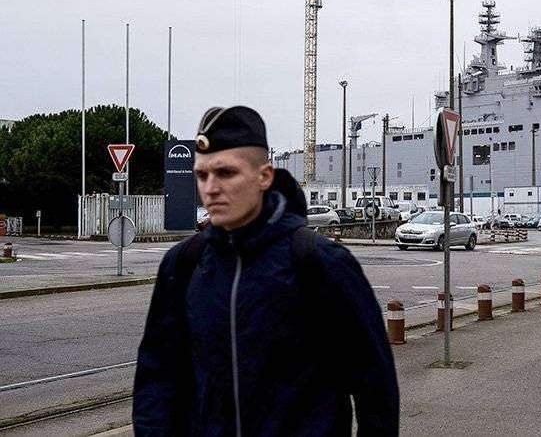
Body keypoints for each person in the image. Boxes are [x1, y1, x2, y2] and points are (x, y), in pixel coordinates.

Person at [133, 106, 399, 436]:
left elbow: (375, 384)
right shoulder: (184, 263)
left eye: (226, 173)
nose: (210, 188)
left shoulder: (318, 261)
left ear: (264, 176)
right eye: (202, 175)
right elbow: (157, 374)